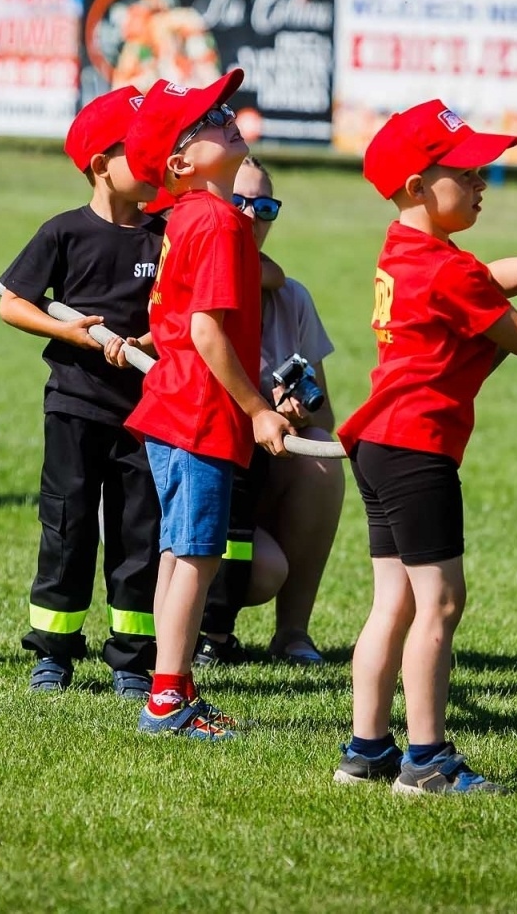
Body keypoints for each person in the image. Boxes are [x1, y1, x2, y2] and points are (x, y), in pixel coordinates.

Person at [333, 100, 517, 795]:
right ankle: (426, 761)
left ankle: (366, 750)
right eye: (469, 170)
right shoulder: (443, 270)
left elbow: (484, 278)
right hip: (417, 449)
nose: (485, 180)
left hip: (378, 443)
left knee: (392, 603)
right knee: (441, 603)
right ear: (415, 187)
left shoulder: (409, 250)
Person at [122, 70, 294, 741]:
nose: (225, 117)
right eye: (208, 120)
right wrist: (256, 407)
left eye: (223, 108)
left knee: (178, 552)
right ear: (180, 164)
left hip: (175, 404)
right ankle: (165, 699)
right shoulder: (220, 221)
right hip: (198, 412)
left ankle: (178, 685)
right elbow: (204, 330)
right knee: (196, 555)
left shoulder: (192, 215)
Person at [0, 86, 163, 700]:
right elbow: (13, 304)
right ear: (101, 165)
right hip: (75, 402)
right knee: (67, 525)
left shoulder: (166, 237)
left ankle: (131, 659)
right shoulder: (64, 233)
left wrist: (150, 336)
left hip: (148, 412)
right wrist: (66, 331)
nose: (159, 164)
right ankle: (54, 652)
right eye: (144, 153)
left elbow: (185, 313)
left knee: (138, 532)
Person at [195, 156, 345, 668]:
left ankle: (292, 633)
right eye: (239, 203)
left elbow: (319, 410)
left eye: (265, 206)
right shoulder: (189, 276)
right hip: (189, 475)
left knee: (323, 458)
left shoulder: (290, 297)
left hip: (254, 476)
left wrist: (294, 410)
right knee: (259, 569)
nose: (252, 216)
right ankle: (191, 629)